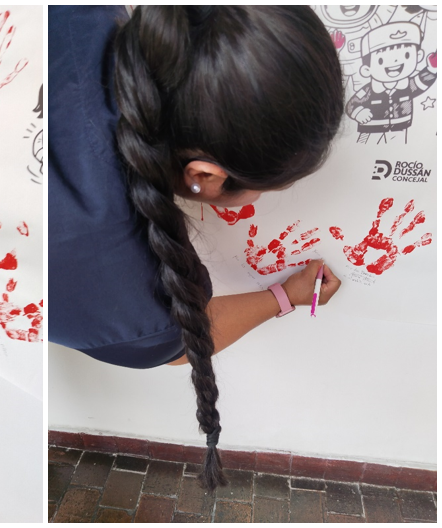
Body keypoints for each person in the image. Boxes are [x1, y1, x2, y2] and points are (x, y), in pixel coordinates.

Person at [49, 6, 345, 490]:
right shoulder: (125, 284)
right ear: (205, 175)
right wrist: (284, 297)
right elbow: (182, 338)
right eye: (267, 189)